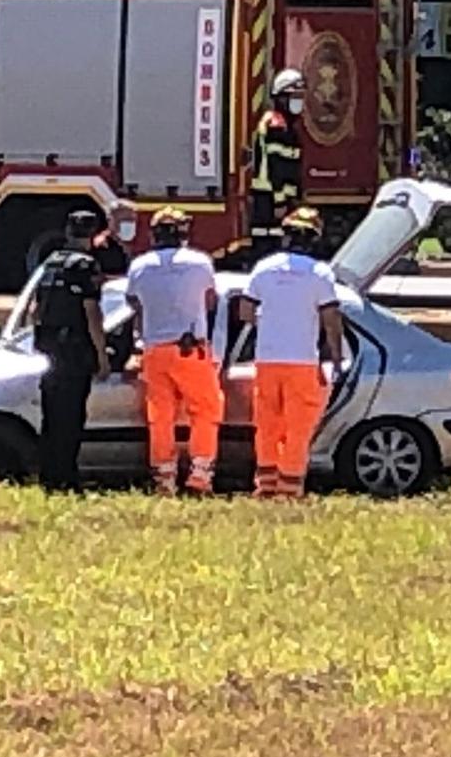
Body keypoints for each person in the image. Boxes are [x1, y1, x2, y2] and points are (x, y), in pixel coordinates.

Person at [239, 205, 344, 498]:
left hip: (267, 359)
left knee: (267, 424)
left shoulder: (264, 268)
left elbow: (246, 311)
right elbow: (331, 319)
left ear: (285, 237)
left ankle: (266, 485)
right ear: (314, 239)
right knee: (298, 426)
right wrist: (335, 356)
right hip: (302, 361)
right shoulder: (320, 274)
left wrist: (271, 322)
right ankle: (290, 486)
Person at [124, 206, 225, 496]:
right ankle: (200, 475)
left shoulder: (140, 266)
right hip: (190, 350)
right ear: (184, 234)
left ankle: (164, 479)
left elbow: (134, 304)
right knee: (206, 409)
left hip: (155, 350)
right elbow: (209, 301)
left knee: (161, 416)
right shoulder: (200, 263)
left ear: (153, 234)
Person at [29, 210, 112, 490]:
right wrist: (102, 356)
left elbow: (35, 310)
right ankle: (66, 477)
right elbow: (92, 314)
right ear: (93, 235)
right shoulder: (86, 266)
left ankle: (49, 476)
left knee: (51, 417)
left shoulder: (52, 262)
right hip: (74, 352)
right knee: (72, 418)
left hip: (50, 351)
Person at [248, 70, 307, 258]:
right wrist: (280, 201)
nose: (299, 102)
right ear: (281, 98)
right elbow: (277, 169)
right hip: (269, 199)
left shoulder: (286, 125)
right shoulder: (276, 125)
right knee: (269, 245)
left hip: (273, 199)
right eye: (294, 96)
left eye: (301, 96)